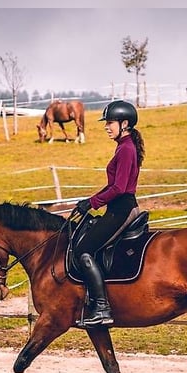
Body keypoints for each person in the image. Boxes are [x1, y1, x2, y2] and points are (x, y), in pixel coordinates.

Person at [73, 99, 145, 328]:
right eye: (106, 123)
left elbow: (120, 188)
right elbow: (113, 185)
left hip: (122, 209)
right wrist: (87, 202)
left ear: (125, 123)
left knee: (83, 249)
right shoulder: (123, 146)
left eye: (110, 122)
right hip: (116, 207)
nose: (106, 126)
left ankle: (102, 309)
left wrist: (92, 202)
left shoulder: (126, 149)